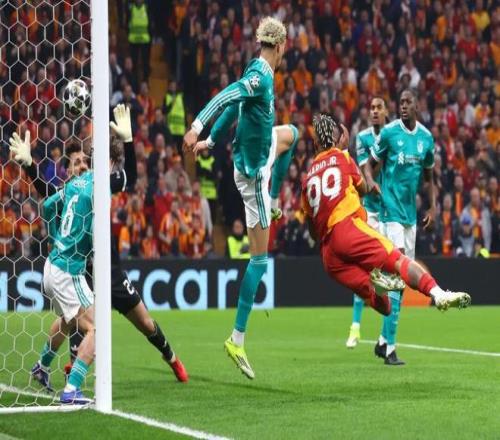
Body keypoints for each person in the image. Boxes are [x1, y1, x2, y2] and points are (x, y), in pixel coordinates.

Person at [9, 106, 188, 403]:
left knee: (141, 322)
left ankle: (171, 357)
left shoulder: (92, 185)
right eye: (76, 162)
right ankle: (71, 381)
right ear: (70, 169)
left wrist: (127, 141)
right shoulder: (80, 187)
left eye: (84, 161)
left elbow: (124, 179)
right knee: (83, 324)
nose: (81, 165)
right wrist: (30, 167)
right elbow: (47, 194)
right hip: (80, 270)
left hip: (108, 271)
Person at [183, 17, 294, 379]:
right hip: (253, 173)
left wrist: (211, 140)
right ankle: (237, 338)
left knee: (291, 134)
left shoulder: (257, 69)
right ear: (281, 46)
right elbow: (227, 96)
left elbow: (236, 107)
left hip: (260, 152)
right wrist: (197, 126)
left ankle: (273, 202)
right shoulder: (261, 76)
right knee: (259, 261)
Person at [302, 113, 470, 336]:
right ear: (336, 139)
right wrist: (345, 151)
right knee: (399, 260)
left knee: (384, 306)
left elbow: (313, 232)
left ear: (315, 143)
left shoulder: (307, 179)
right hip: (348, 230)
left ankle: (379, 285)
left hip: (329, 256)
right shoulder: (343, 158)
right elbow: (364, 188)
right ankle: (438, 294)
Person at [362, 90, 439, 365]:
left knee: (401, 280)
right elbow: (368, 165)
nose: (403, 106)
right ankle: (391, 348)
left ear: (417, 105)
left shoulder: (426, 138)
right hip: (390, 213)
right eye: (401, 102)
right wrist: (371, 181)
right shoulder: (389, 133)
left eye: (408, 102)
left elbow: (430, 177)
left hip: (410, 216)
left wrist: (432, 207)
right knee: (398, 275)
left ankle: (383, 341)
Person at [346, 97, 388, 349]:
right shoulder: (362, 138)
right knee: (365, 270)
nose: (374, 111)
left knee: (390, 274)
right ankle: (355, 327)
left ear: (386, 112)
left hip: (391, 212)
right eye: (371, 108)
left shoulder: (393, 135)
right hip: (370, 212)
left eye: (378, 108)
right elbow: (366, 171)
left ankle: (385, 337)